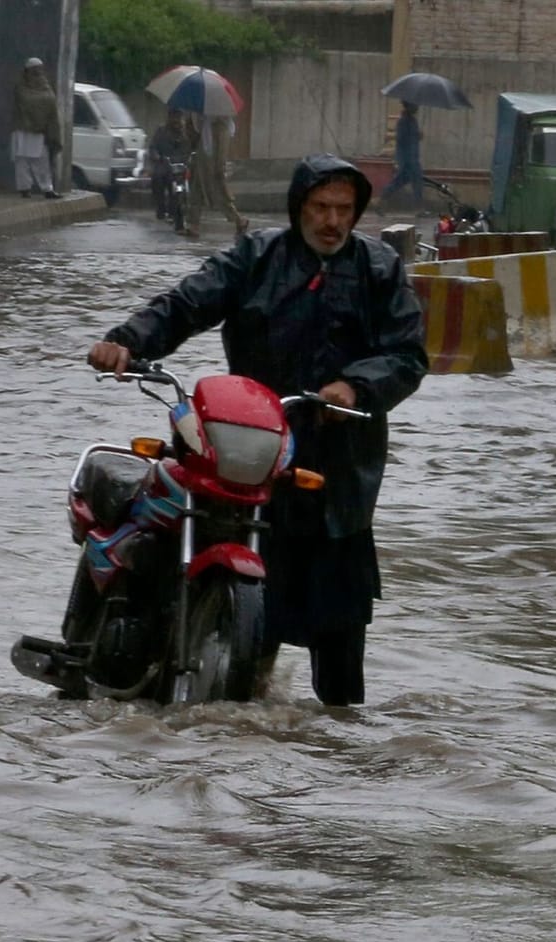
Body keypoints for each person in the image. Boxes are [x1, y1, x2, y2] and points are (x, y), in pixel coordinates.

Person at [86, 156, 427, 706]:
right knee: (238, 594)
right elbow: (187, 303)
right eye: (320, 207)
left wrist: (356, 388)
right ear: (299, 208)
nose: (332, 221)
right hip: (247, 451)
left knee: (340, 634)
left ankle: (338, 746)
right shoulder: (257, 256)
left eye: (343, 209)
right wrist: (127, 340)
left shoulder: (379, 269)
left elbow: (408, 355)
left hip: (338, 470)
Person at [186, 111, 246, 238]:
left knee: (216, 193)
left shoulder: (221, 128)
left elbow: (221, 155)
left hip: (212, 168)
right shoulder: (205, 124)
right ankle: (193, 224)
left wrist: (220, 169)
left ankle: (239, 220)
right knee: (196, 189)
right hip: (202, 159)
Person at [11, 57, 60, 199]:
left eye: (39, 70)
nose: (37, 73)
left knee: (42, 161)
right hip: (23, 129)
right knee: (22, 161)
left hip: (39, 130)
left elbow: (50, 104)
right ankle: (24, 189)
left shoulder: (45, 87)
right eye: (34, 70)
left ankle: (47, 189)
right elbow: (26, 102)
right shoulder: (21, 87)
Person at [147, 108, 195, 221]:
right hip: (163, 164)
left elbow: (191, 148)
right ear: (169, 118)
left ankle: (177, 208)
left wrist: (190, 158)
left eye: (179, 117)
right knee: (157, 178)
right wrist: (157, 156)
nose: (176, 120)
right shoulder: (161, 131)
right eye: (174, 117)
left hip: (180, 166)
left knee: (183, 182)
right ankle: (161, 207)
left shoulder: (186, 133)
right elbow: (153, 147)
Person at [380, 101, 425, 213]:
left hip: (413, 156)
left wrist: (418, 136)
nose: (417, 107)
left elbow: (413, 139)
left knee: (401, 181)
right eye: (414, 105)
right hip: (407, 158)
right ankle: (419, 208)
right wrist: (415, 136)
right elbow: (401, 139)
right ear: (408, 106)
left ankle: (384, 196)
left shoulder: (413, 121)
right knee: (417, 181)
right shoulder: (403, 121)